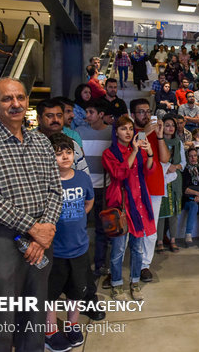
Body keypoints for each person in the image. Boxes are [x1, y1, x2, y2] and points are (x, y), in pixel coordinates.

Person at [0, 78, 62, 350]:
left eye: (20, 97)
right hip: (2, 240)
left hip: (42, 240)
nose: (15, 104)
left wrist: (46, 230)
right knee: (1, 318)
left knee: (34, 315)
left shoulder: (41, 142)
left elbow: (55, 189)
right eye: (7, 99)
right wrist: (34, 229)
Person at [44, 133, 93, 351]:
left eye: (68, 152)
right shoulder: (47, 180)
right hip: (55, 250)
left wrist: (78, 216)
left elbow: (89, 201)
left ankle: (73, 325)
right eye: (58, 153)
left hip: (79, 247)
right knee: (51, 294)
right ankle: (50, 330)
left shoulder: (82, 178)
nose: (65, 157)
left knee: (76, 292)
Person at [102, 115, 155, 301]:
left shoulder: (139, 150)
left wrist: (149, 153)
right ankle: (116, 285)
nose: (128, 132)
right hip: (122, 207)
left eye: (131, 129)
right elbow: (119, 173)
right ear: (116, 131)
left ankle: (134, 283)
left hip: (139, 205)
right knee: (118, 250)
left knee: (137, 249)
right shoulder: (109, 154)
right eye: (124, 129)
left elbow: (148, 171)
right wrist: (133, 151)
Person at [130, 99, 170, 282]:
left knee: (151, 229)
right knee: (132, 226)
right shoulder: (127, 132)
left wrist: (160, 136)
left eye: (148, 111)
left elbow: (164, 159)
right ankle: (131, 260)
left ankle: (145, 264)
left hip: (154, 186)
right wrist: (144, 133)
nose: (145, 115)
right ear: (132, 115)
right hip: (133, 186)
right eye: (141, 112)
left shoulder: (154, 133)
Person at [75, 99, 113, 280]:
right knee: (79, 227)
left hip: (104, 188)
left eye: (90, 112)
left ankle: (100, 264)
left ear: (100, 115)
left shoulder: (110, 132)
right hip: (84, 188)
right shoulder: (79, 132)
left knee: (101, 229)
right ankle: (80, 265)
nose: (87, 115)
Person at [158, 114, 185, 253]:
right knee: (161, 212)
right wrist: (165, 167)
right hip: (161, 179)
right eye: (167, 125)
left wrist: (176, 166)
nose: (170, 128)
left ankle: (173, 239)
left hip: (175, 179)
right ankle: (160, 241)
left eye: (173, 126)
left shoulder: (178, 142)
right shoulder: (157, 141)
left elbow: (183, 163)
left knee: (174, 211)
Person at [182, 148, 199, 245]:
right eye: (190, 156)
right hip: (187, 198)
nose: (193, 158)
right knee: (194, 205)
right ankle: (188, 233)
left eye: (195, 155)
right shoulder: (184, 170)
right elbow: (184, 189)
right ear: (187, 157)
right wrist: (197, 194)